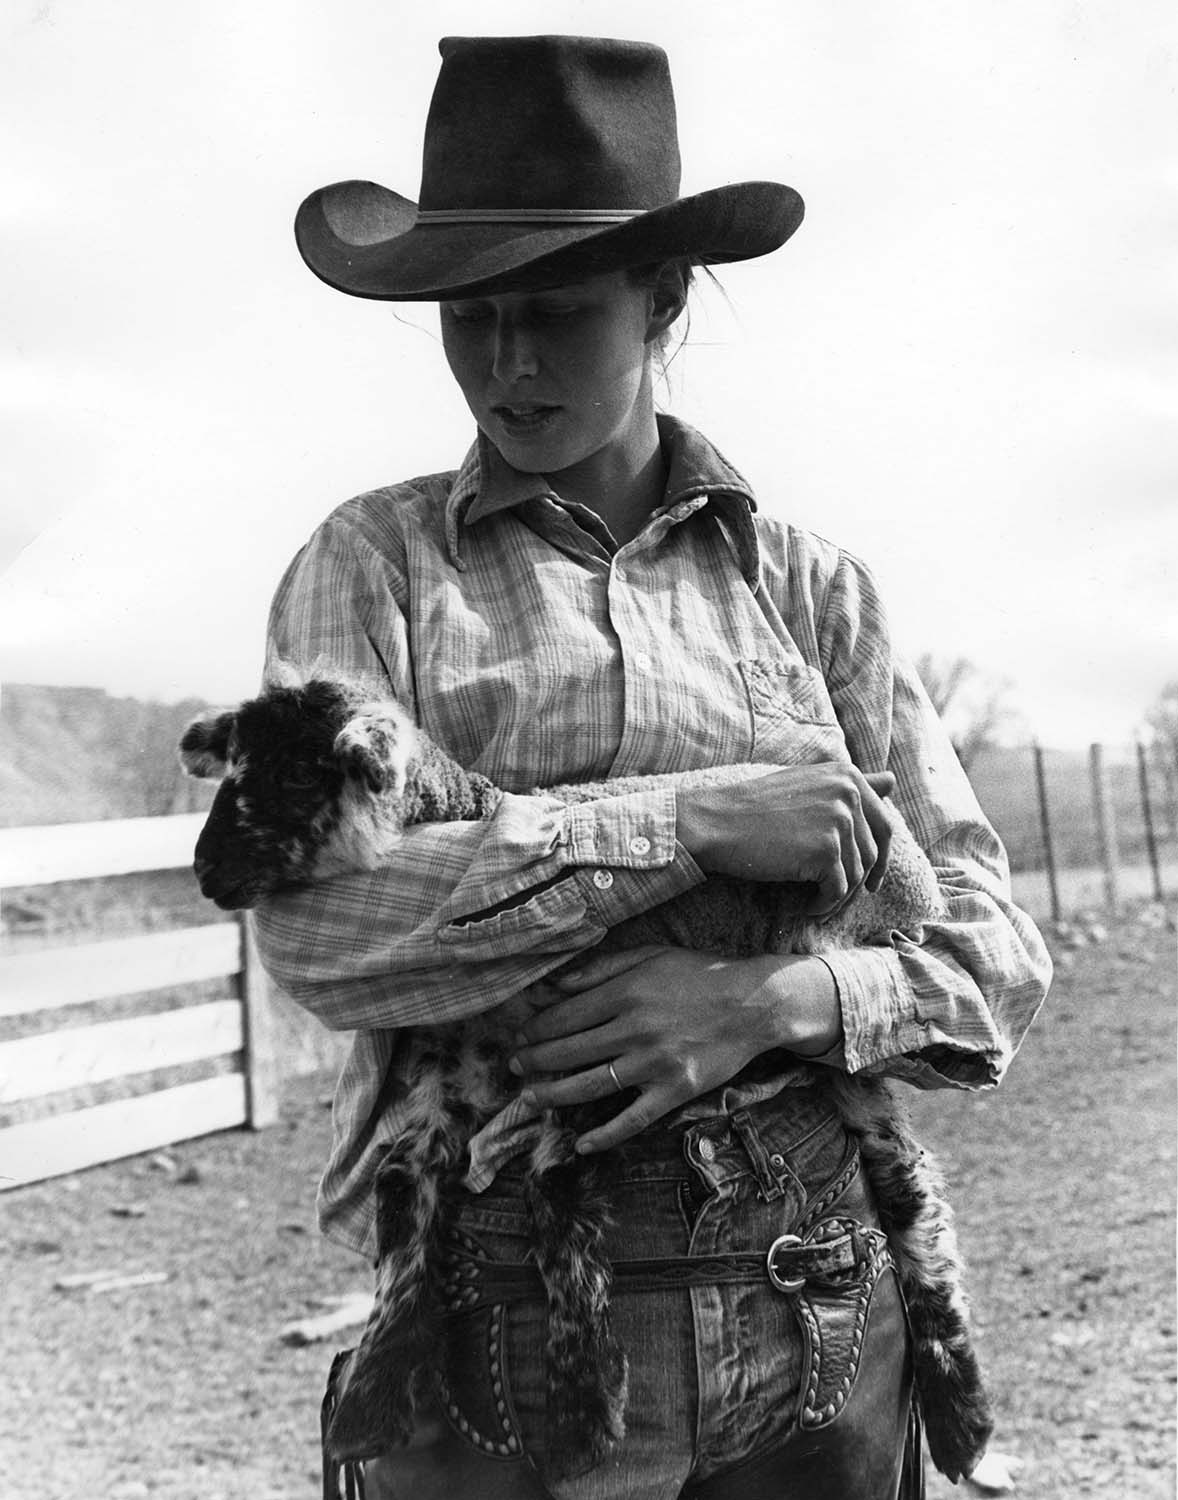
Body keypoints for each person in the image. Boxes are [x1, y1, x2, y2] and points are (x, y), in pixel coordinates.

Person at [255, 34, 1051, 1500]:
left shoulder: (810, 592)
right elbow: (318, 929)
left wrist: (768, 1002)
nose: (506, 360)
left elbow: (993, 956)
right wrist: (692, 823)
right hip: (489, 1312)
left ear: (664, 299)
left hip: (816, 1293)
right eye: (469, 316)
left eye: (554, 312)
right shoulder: (374, 569)